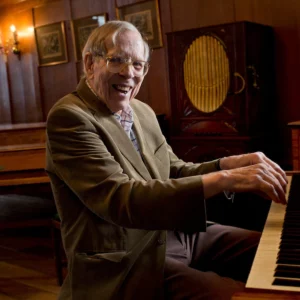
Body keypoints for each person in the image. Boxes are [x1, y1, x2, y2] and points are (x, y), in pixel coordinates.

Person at [46, 20, 287, 300]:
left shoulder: (142, 110)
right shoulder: (70, 117)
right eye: (118, 60)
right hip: (126, 258)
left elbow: (173, 171)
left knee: (276, 249)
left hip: (177, 232)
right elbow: (121, 198)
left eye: (138, 65)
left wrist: (226, 165)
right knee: (237, 296)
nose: (129, 73)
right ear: (90, 63)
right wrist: (225, 179)